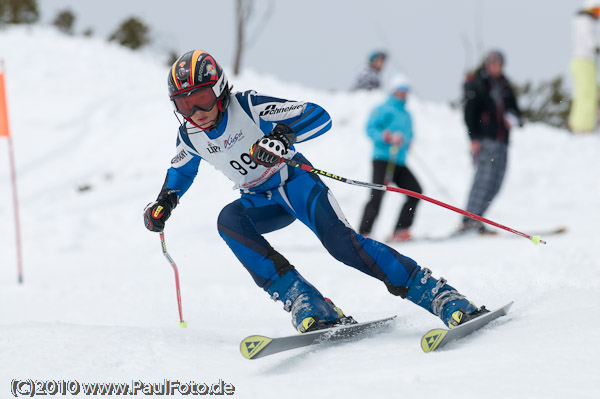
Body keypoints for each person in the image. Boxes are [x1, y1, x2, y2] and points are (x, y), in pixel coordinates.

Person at [144, 50, 487, 334]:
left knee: (343, 246)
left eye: (201, 99)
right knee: (229, 220)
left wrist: (280, 137)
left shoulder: (248, 106)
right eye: (184, 104)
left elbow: (318, 116)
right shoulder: (190, 135)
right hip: (261, 200)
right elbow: (181, 170)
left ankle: (439, 295)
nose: (196, 113)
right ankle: (306, 300)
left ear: (219, 89)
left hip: (296, 184)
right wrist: (165, 201)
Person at [460, 50, 522, 234]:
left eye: (498, 63)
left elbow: (515, 109)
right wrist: (474, 138)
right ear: (487, 65)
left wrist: (514, 118)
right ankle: (468, 218)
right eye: (492, 63)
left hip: (502, 141)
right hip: (486, 140)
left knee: (497, 181)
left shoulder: (506, 85)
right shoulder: (478, 84)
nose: (495, 67)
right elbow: (469, 113)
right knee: (483, 179)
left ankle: (477, 218)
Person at [358, 75, 422, 242]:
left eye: (406, 90)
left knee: (415, 191)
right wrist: (386, 136)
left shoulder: (407, 114)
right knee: (377, 194)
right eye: (400, 89)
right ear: (393, 90)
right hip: (382, 158)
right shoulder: (383, 108)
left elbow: (410, 135)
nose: (403, 93)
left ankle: (401, 230)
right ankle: (363, 232)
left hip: (399, 160)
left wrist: (404, 140)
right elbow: (370, 128)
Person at [568, 3, 600, 133]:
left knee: (590, 93)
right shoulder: (584, 21)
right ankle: (582, 126)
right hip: (584, 61)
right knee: (586, 94)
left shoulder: (586, 21)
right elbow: (589, 42)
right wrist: (596, 47)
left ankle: (583, 123)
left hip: (587, 61)